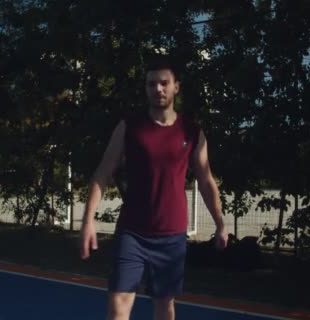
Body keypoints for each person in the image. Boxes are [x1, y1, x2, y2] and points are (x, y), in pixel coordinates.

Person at [79, 55, 228, 320]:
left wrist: (220, 223)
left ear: (175, 87)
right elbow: (103, 173)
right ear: (145, 88)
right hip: (132, 233)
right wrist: (88, 220)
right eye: (151, 84)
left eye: (163, 83)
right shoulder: (129, 128)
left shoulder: (191, 132)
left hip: (172, 236)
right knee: (118, 308)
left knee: (164, 307)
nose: (157, 89)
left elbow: (205, 180)